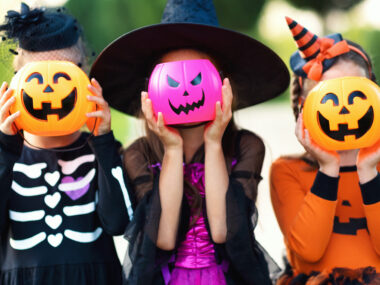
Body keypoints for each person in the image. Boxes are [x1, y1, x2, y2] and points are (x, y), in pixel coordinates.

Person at [91, 0, 289, 284]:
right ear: (152, 88)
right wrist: (171, 149)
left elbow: (223, 231)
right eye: (171, 80)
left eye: (197, 78)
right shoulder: (140, 154)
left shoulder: (246, 146)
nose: (184, 89)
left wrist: (214, 143)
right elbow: (164, 237)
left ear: (222, 83)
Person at [0, 3, 133, 284]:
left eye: (64, 76)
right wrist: (5, 148)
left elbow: (119, 222)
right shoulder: (8, 156)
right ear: (17, 84)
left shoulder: (102, 150)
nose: (51, 90)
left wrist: (104, 143)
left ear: (84, 80)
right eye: (37, 79)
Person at [270, 17, 380, 284]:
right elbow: (308, 251)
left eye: (355, 94)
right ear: (304, 107)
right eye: (329, 98)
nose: (345, 110)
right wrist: (328, 169)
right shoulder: (287, 171)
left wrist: (368, 171)